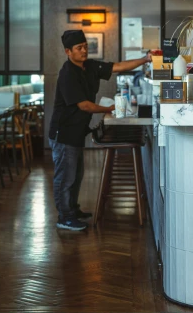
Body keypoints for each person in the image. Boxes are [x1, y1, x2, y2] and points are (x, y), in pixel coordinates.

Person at [49, 30, 152, 231]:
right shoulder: (67, 73)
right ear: (68, 51)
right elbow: (84, 106)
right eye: (79, 48)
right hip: (64, 133)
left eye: (85, 46)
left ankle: (73, 209)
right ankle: (64, 216)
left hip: (77, 131)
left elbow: (118, 66)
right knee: (65, 176)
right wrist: (109, 108)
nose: (84, 50)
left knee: (76, 175)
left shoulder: (90, 66)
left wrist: (145, 59)